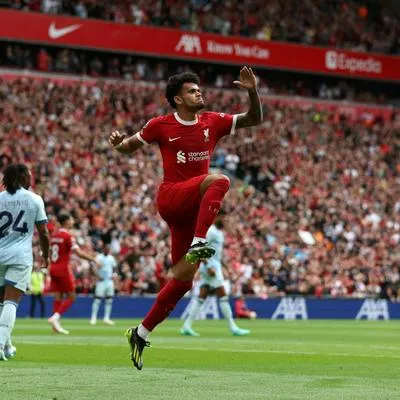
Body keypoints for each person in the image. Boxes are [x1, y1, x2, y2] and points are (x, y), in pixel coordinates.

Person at [109, 66, 262, 370]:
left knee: (183, 281)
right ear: (178, 99)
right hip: (172, 198)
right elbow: (130, 146)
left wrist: (252, 91)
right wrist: (118, 144)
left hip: (191, 212)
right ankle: (200, 241)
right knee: (219, 180)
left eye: (198, 89)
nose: (199, 93)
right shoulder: (160, 125)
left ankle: (140, 333)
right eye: (192, 91)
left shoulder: (212, 121)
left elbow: (254, 118)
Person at [0, 164, 50, 360]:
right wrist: (45, 256)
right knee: (11, 302)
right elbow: (44, 233)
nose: (32, 178)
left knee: (2, 304)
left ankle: (7, 346)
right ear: (21, 177)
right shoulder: (34, 199)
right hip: (20, 256)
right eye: (29, 175)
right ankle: (0, 344)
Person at [180, 220, 250, 336]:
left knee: (201, 297)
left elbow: (217, 254)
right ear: (219, 217)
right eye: (225, 218)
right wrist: (208, 265)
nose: (227, 221)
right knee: (223, 296)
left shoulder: (220, 233)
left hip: (214, 266)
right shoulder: (211, 231)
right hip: (210, 267)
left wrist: (226, 267)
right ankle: (233, 327)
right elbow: (198, 248)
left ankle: (186, 326)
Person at [47, 212, 98, 334]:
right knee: (71, 296)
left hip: (53, 267)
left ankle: (55, 327)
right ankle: (55, 317)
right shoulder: (68, 236)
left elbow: (49, 251)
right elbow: (78, 253)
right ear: (66, 222)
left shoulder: (54, 235)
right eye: (70, 219)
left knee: (58, 295)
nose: (72, 221)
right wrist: (93, 259)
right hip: (63, 269)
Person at [90, 243, 117, 326]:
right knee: (97, 299)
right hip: (101, 281)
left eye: (108, 249)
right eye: (106, 248)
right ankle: (93, 318)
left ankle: (106, 318)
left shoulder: (111, 258)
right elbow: (92, 267)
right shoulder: (99, 257)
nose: (107, 250)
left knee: (109, 300)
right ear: (103, 249)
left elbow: (114, 267)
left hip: (109, 281)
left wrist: (114, 274)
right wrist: (97, 275)